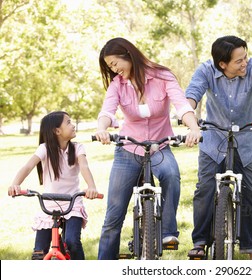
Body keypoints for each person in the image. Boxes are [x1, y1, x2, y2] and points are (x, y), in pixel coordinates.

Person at [94, 37, 201, 260]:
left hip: (159, 146)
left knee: (171, 175)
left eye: (115, 63)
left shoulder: (163, 76)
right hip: (128, 150)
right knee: (113, 216)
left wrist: (194, 128)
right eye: (110, 67)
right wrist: (102, 129)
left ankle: (167, 232)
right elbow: (107, 111)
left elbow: (181, 105)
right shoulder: (118, 85)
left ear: (128, 54)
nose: (114, 70)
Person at [185, 35, 252, 260]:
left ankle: (251, 248)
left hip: (246, 140)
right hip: (214, 139)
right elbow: (192, 95)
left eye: (245, 57)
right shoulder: (206, 70)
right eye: (239, 60)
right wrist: (188, 117)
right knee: (204, 190)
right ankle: (200, 241)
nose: (244, 63)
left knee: (250, 194)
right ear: (222, 64)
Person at [8, 111, 100, 260]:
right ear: (57, 131)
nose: (73, 125)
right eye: (68, 122)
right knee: (39, 252)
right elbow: (28, 166)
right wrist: (15, 184)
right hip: (49, 205)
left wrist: (92, 187)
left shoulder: (77, 148)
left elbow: (84, 167)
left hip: (72, 203)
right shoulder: (45, 149)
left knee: (72, 242)